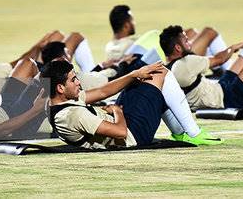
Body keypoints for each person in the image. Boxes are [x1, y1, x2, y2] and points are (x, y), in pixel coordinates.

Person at [43, 59, 221, 149]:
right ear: (60, 87)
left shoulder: (59, 102)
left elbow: (103, 91)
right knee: (160, 73)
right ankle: (192, 133)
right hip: (132, 134)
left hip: (123, 122)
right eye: (74, 80)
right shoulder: (73, 115)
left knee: (141, 80)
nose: (79, 83)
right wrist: (117, 111)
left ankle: (181, 133)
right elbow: (120, 133)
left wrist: (134, 74)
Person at [160, 25, 243, 111]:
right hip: (229, 99)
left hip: (220, 89)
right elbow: (220, 59)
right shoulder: (187, 63)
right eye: (186, 41)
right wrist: (233, 47)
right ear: (178, 48)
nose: (189, 43)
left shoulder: (168, 67)